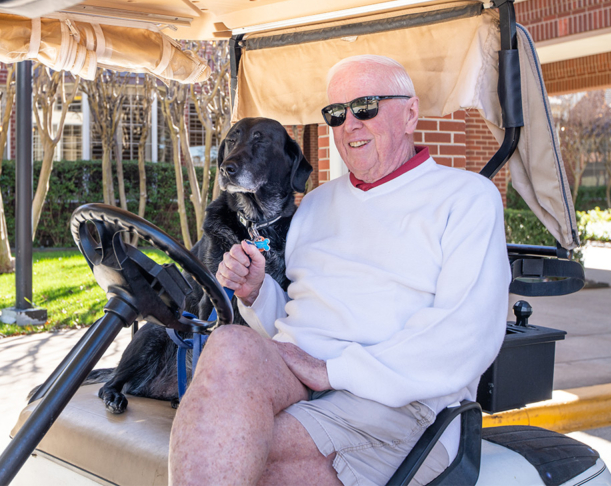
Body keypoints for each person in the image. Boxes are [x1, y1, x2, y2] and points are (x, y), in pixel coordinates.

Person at [168, 55, 510, 486]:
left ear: (410, 114)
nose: (350, 124)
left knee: (228, 446)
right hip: (301, 371)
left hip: (403, 402)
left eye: (366, 106)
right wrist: (258, 292)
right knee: (229, 344)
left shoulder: (466, 199)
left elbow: (465, 335)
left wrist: (333, 371)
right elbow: (298, 313)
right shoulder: (314, 205)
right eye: (336, 113)